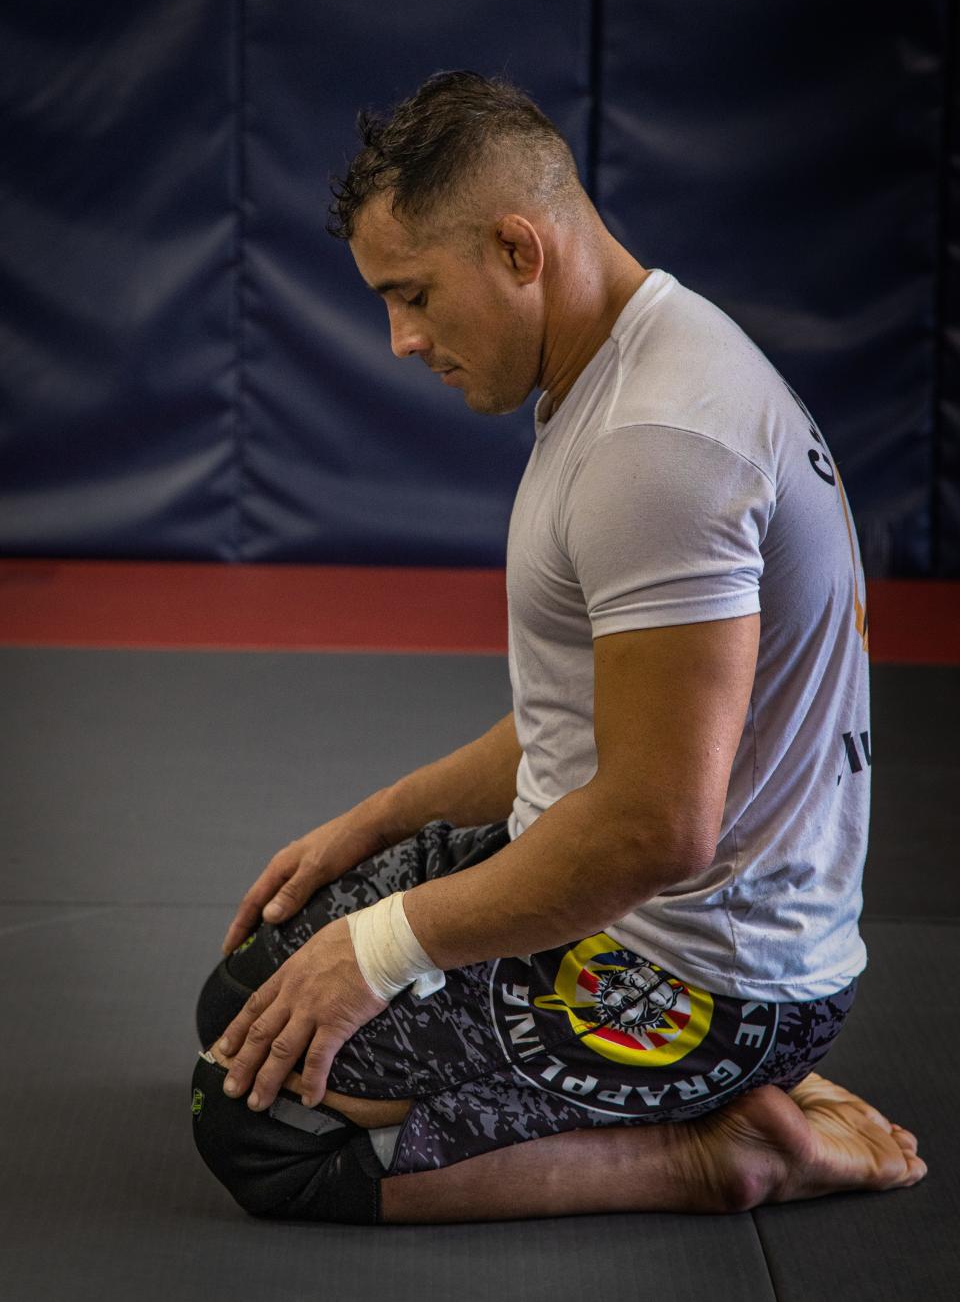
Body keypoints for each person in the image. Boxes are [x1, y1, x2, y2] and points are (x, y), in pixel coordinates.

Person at [191, 70, 925, 1225]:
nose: (400, 340)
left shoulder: (657, 446)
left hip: (702, 972)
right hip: (624, 891)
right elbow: (581, 726)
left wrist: (379, 951)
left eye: (415, 294)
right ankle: (683, 1100)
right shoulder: (622, 367)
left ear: (519, 251)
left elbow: (656, 825)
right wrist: (375, 822)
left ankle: (725, 1153)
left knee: (258, 1125)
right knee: (255, 990)